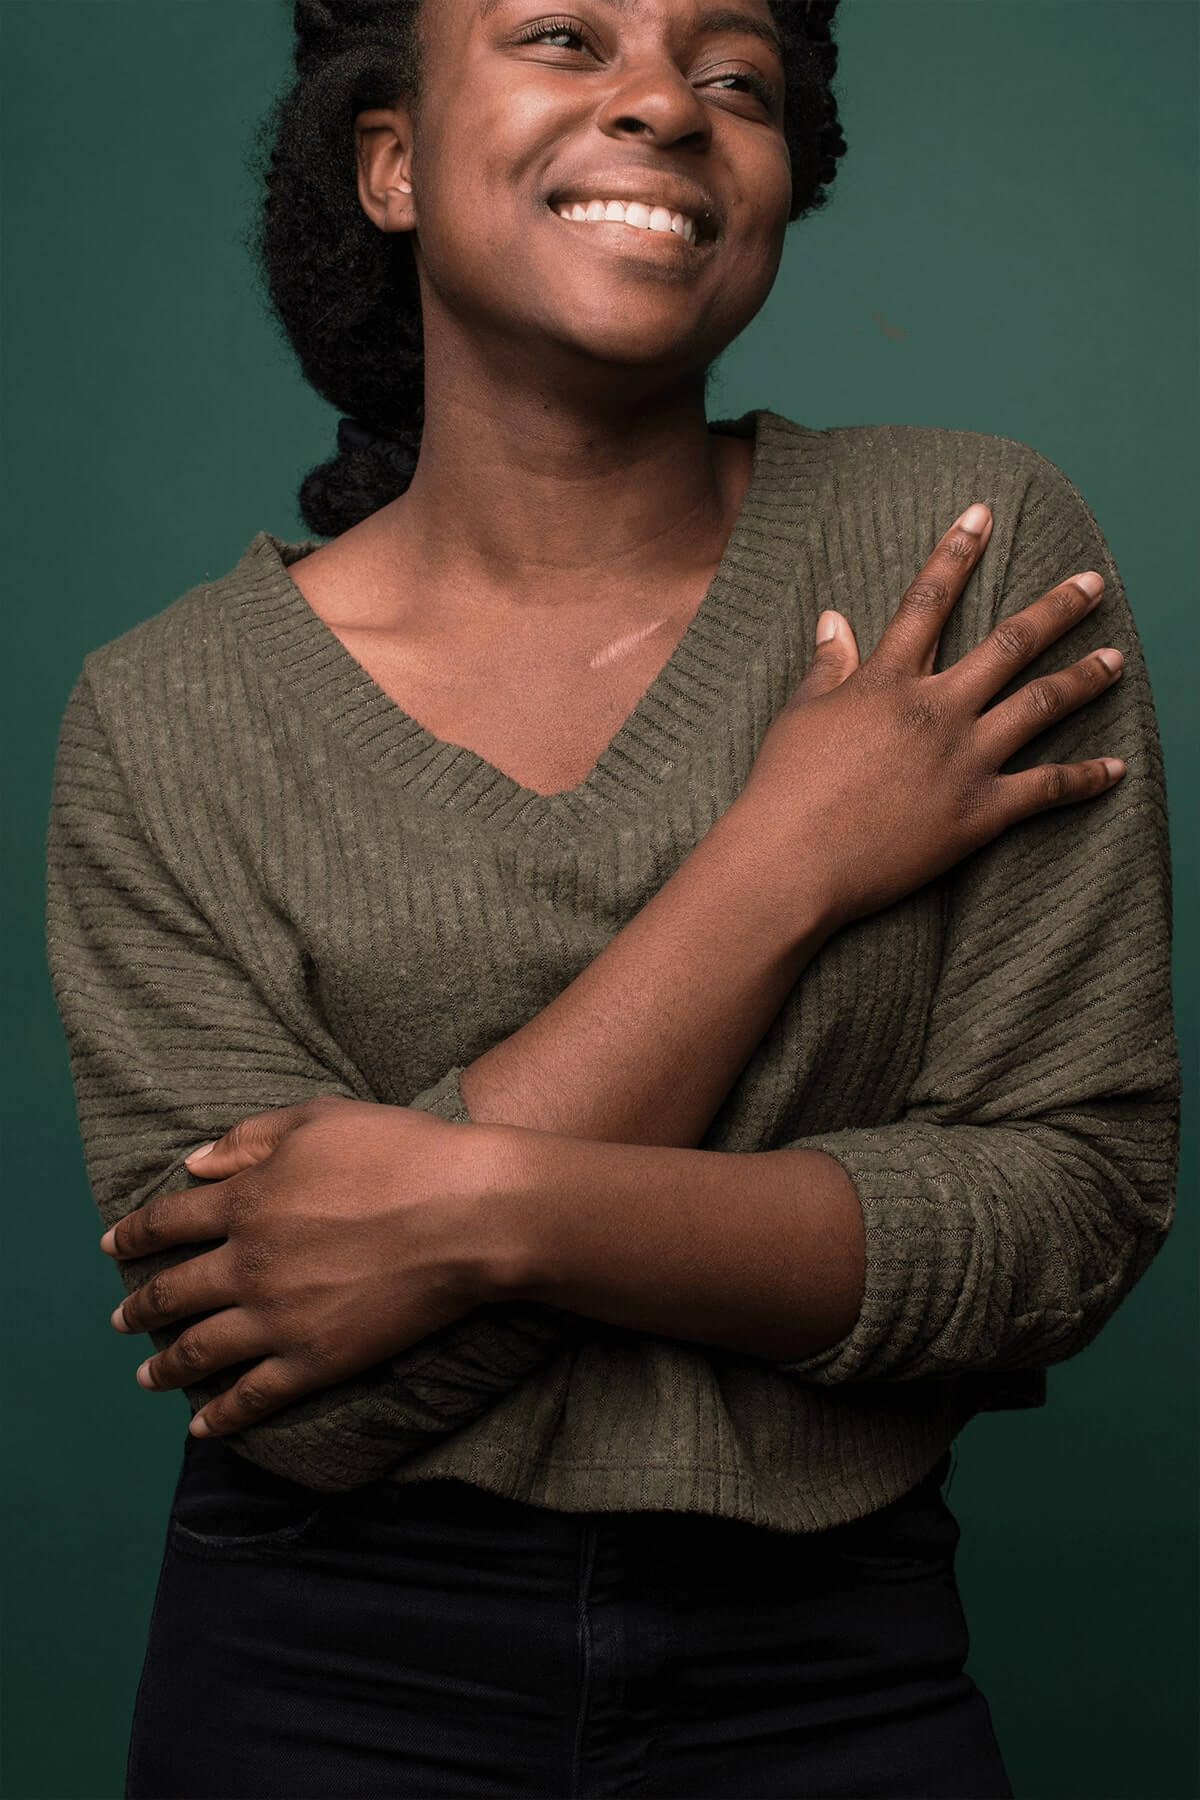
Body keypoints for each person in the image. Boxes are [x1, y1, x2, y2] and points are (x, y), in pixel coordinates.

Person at [45, 1, 1180, 1796]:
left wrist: (463, 1205)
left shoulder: (959, 555)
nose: (664, 101)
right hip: (315, 1668)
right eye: (566, 37)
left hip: (838, 1665)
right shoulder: (166, 715)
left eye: (736, 77)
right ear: (391, 160)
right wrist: (780, 866)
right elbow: (279, 1358)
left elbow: (1068, 1205)